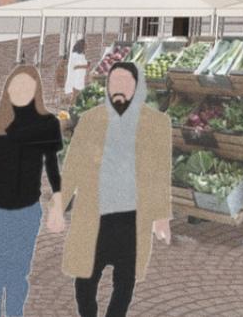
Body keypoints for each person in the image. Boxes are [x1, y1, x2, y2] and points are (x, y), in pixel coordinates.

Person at [60, 62, 172, 317]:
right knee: (85, 277)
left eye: (126, 82)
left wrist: (162, 217)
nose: (119, 88)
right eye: (114, 82)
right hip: (94, 213)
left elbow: (161, 174)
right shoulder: (90, 119)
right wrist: (60, 203)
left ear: (137, 87)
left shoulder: (156, 124)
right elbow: (73, 164)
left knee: (125, 279)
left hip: (133, 217)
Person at [0, 65, 65, 317]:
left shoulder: (48, 124)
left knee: (16, 275)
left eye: (27, 86)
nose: (21, 90)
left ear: (36, 91)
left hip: (25, 213)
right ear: (7, 89)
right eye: (16, 85)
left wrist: (58, 202)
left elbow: (52, 166)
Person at [64, 39, 89, 103]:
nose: (87, 46)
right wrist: (86, 66)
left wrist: (86, 65)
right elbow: (76, 66)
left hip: (78, 76)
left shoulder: (79, 55)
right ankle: (73, 102)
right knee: (77, 91)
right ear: (82, 46)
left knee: (77, 92)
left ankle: (73, 101)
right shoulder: (76, 55)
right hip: (76, 77)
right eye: (85, 45)